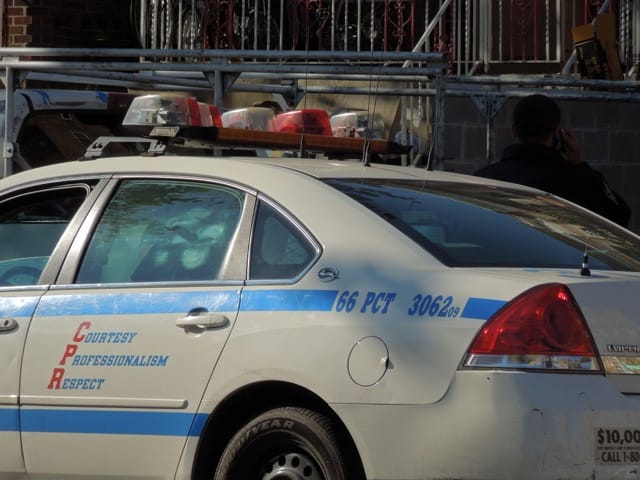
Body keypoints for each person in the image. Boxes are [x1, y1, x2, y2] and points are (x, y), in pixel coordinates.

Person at [474, 94, 631, 227]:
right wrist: (578, 165)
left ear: (514, 131)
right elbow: (620, 216)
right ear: (557, 133)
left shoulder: (484, 180)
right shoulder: (579, 182)